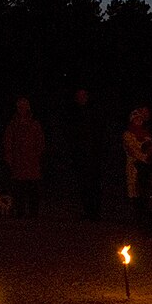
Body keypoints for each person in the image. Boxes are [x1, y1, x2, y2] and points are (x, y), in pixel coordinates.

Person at [2, 97, 46, 218]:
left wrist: (37, 155)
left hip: (32, 161)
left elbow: (41, 141)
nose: (21, 109)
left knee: (33, 189)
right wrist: (9, 157)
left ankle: (33, 213)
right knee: (18, 189)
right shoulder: (13, 124)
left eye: (23, 107)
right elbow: (7, 141)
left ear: (28, 108)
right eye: (19, 107)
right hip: (18, 161)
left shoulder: (34, 124)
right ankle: (20, 212)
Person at [66, 88, 106, 220]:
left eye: (83, 95)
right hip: (80, 156)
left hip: (94, 155)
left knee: (94, 184)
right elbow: (71, 135)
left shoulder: (94, 112)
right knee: (83, 185)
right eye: (79, 96)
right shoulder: (73, 113)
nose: (81, 98)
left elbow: (99, 133)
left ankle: (95, 212)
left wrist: (98, 151)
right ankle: (87, 211)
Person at [122, 107, 152, 216]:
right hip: (134, 165)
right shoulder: (128, 134)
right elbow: (132, 150)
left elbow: (151, 147)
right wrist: (145, 157)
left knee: (145, 188)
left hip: (146, 166)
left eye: (140, 119)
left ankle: (145, 211)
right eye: (136, 119)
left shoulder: (146, 134)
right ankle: (136, 212)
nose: (139, 121)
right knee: (134, 186)